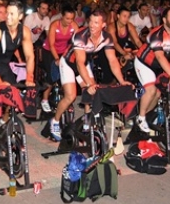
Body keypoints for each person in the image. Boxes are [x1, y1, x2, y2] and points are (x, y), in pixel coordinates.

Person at [49, 10, 132, 140]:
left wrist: (121, 81)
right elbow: (79, 64)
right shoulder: (81, 35)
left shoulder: (107, 37)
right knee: (70, 96)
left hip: (84, 62)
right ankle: (55, 121)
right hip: (69, 63)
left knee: (93, 93)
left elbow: (113, 60)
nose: (92, 25)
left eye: (96, 22)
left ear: (103, 25)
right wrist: (89, 83)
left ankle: (87, 121)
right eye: (91, 21)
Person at [0, 1, 35, 161]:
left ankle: (2, 124)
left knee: (11, 101)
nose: (7, 16)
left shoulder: (24, 31)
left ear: (20, 16)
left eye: (12, 14)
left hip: (5, 66)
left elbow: (30, 56)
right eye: (6, 13)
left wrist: (30, 77)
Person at [39, 4, 78, 113]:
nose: (70, 21)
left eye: (72, 18)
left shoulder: (73, 25)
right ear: (62, 17)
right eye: (67, 18)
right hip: (49, 51)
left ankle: (66, 100)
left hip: (63, 51)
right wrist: (57, 59)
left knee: (66, 75)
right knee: (52, 76)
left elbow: (79, 41)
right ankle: (44, 99)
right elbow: (51, 45)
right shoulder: (55, 25)